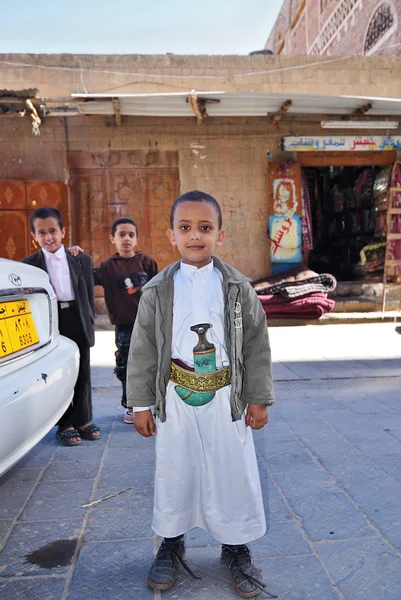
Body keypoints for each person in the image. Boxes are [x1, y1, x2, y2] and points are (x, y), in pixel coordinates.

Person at [126, 190, 276, 598]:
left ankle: (236, 546)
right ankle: (171, 543)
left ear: (220, 234)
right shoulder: (157, 290)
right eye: (186, 228)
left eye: (205, 228)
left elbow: (256, 346)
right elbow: (142, 350)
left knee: (232, 470)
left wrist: (258, 397)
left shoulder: (237, 287)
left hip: (228, 397)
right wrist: (140, 403)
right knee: (176, 470)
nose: (196, 236)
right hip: (175, 397)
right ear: (171, 234)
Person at [22, 207, 100, 446]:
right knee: (58, 373)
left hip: (76, 316)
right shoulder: (29, 265)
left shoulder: (81, 259)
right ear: (34, 236)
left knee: (83, 372)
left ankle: (84, 419)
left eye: (53, 231)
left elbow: (88, 293)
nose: (48, 237)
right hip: (51, 322)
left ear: (63, 232)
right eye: (42, 232)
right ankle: (64, 423)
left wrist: (89, 320)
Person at [91, 218, 158, 422]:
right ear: (113, 239)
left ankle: (152, 402)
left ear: (136, 239)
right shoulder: (108, 267)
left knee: (150, 363)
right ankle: (131, 405)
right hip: (124, 326)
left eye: (131, 234)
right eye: (121, 234)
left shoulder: (146, 262)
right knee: (126, 365)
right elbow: (84, 276)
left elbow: (160, 289)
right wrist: (72, 255)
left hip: (148, 323)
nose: (126, 238)